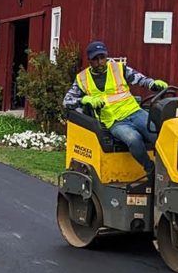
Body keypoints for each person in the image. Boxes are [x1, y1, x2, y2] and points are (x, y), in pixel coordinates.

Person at [63, 41, 168, 177]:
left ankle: (167, 170)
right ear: (89, 61)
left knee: (157, 135)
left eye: (102, 57)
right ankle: (151, 170)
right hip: (115, 122)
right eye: (96, 59)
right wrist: (84, 100)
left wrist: (153, 84)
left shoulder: (119, 68)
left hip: (134, 112)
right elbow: (67, 101)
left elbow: (140, 79)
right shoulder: (82, 79)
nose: (100, 62)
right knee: (133, 139)